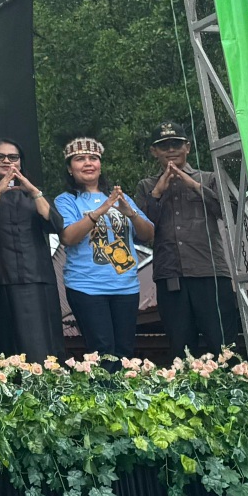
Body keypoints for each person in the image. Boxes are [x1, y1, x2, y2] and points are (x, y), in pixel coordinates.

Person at [136, 122, 242, 359]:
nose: (171, 150)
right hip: (170, 275)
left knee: (223, 345)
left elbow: (229, 211)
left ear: (188, 147)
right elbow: (142, 230)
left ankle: (233, 392)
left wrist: (192, 184)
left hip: (209, 272)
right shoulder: (146, 186)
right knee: (181, 349)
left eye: (176, 144)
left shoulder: (209, 177)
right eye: (164, 146)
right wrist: (157, 193)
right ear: (155, 151)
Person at [56, 136, 153, 358]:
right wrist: (101, 210)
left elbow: (148, 234)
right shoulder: (67, 200)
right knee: (102, 350)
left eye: (93, 158)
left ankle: (124, 392)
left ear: (100, 166)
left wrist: (131, 213)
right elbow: (68, 237)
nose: (88, 163)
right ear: (70, 169)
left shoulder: (121, 197)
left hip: (126, 285)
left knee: (126, 351)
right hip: (86, 286)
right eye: (80, 159)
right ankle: (105, 392)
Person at [0, 140, 64, 361]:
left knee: (44, 344)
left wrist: (34, 191)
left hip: (37, 277)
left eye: (12, 157)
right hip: (2, 278)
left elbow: (55, 224)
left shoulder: (33, 194)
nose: (6, 161)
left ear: (21, 161)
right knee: (11, 343)